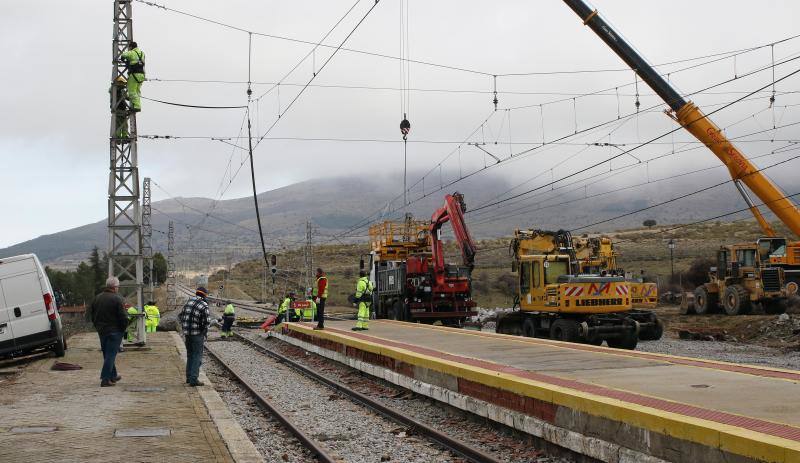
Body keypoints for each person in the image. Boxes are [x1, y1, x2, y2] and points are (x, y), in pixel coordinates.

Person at [90, 277, 127, 387]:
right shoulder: (117, 299)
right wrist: (123, 328)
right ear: (115, 287)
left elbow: (92, 316)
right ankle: (105, 379)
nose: (118, 289)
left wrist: (98, 327)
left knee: (107, 354)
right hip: (115, 331)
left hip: (102, 331)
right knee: (111, 355)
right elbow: (123, 317)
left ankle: (113, 375)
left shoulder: (97, 298)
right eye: (117, 287)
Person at [178, 287, 212, 387]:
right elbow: (207, 322)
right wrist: (203, 330)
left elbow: (180, 316)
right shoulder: (204, 305)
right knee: (197, 355)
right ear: (205, 295)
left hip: (187, 333)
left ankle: (188, 377)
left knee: (190, 355)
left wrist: (185, 326)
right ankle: (194, 379)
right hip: (197, 334)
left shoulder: (188, 302)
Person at [120, 41, 145, 112]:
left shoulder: (132, 52)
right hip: (142, 75)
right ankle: (134, 102)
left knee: (131, 90)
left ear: (131, 47)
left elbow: (124, 55)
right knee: (137, 91)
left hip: (134, 74)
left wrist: (123, 59)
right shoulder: (142, 53)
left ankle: (137, 106)